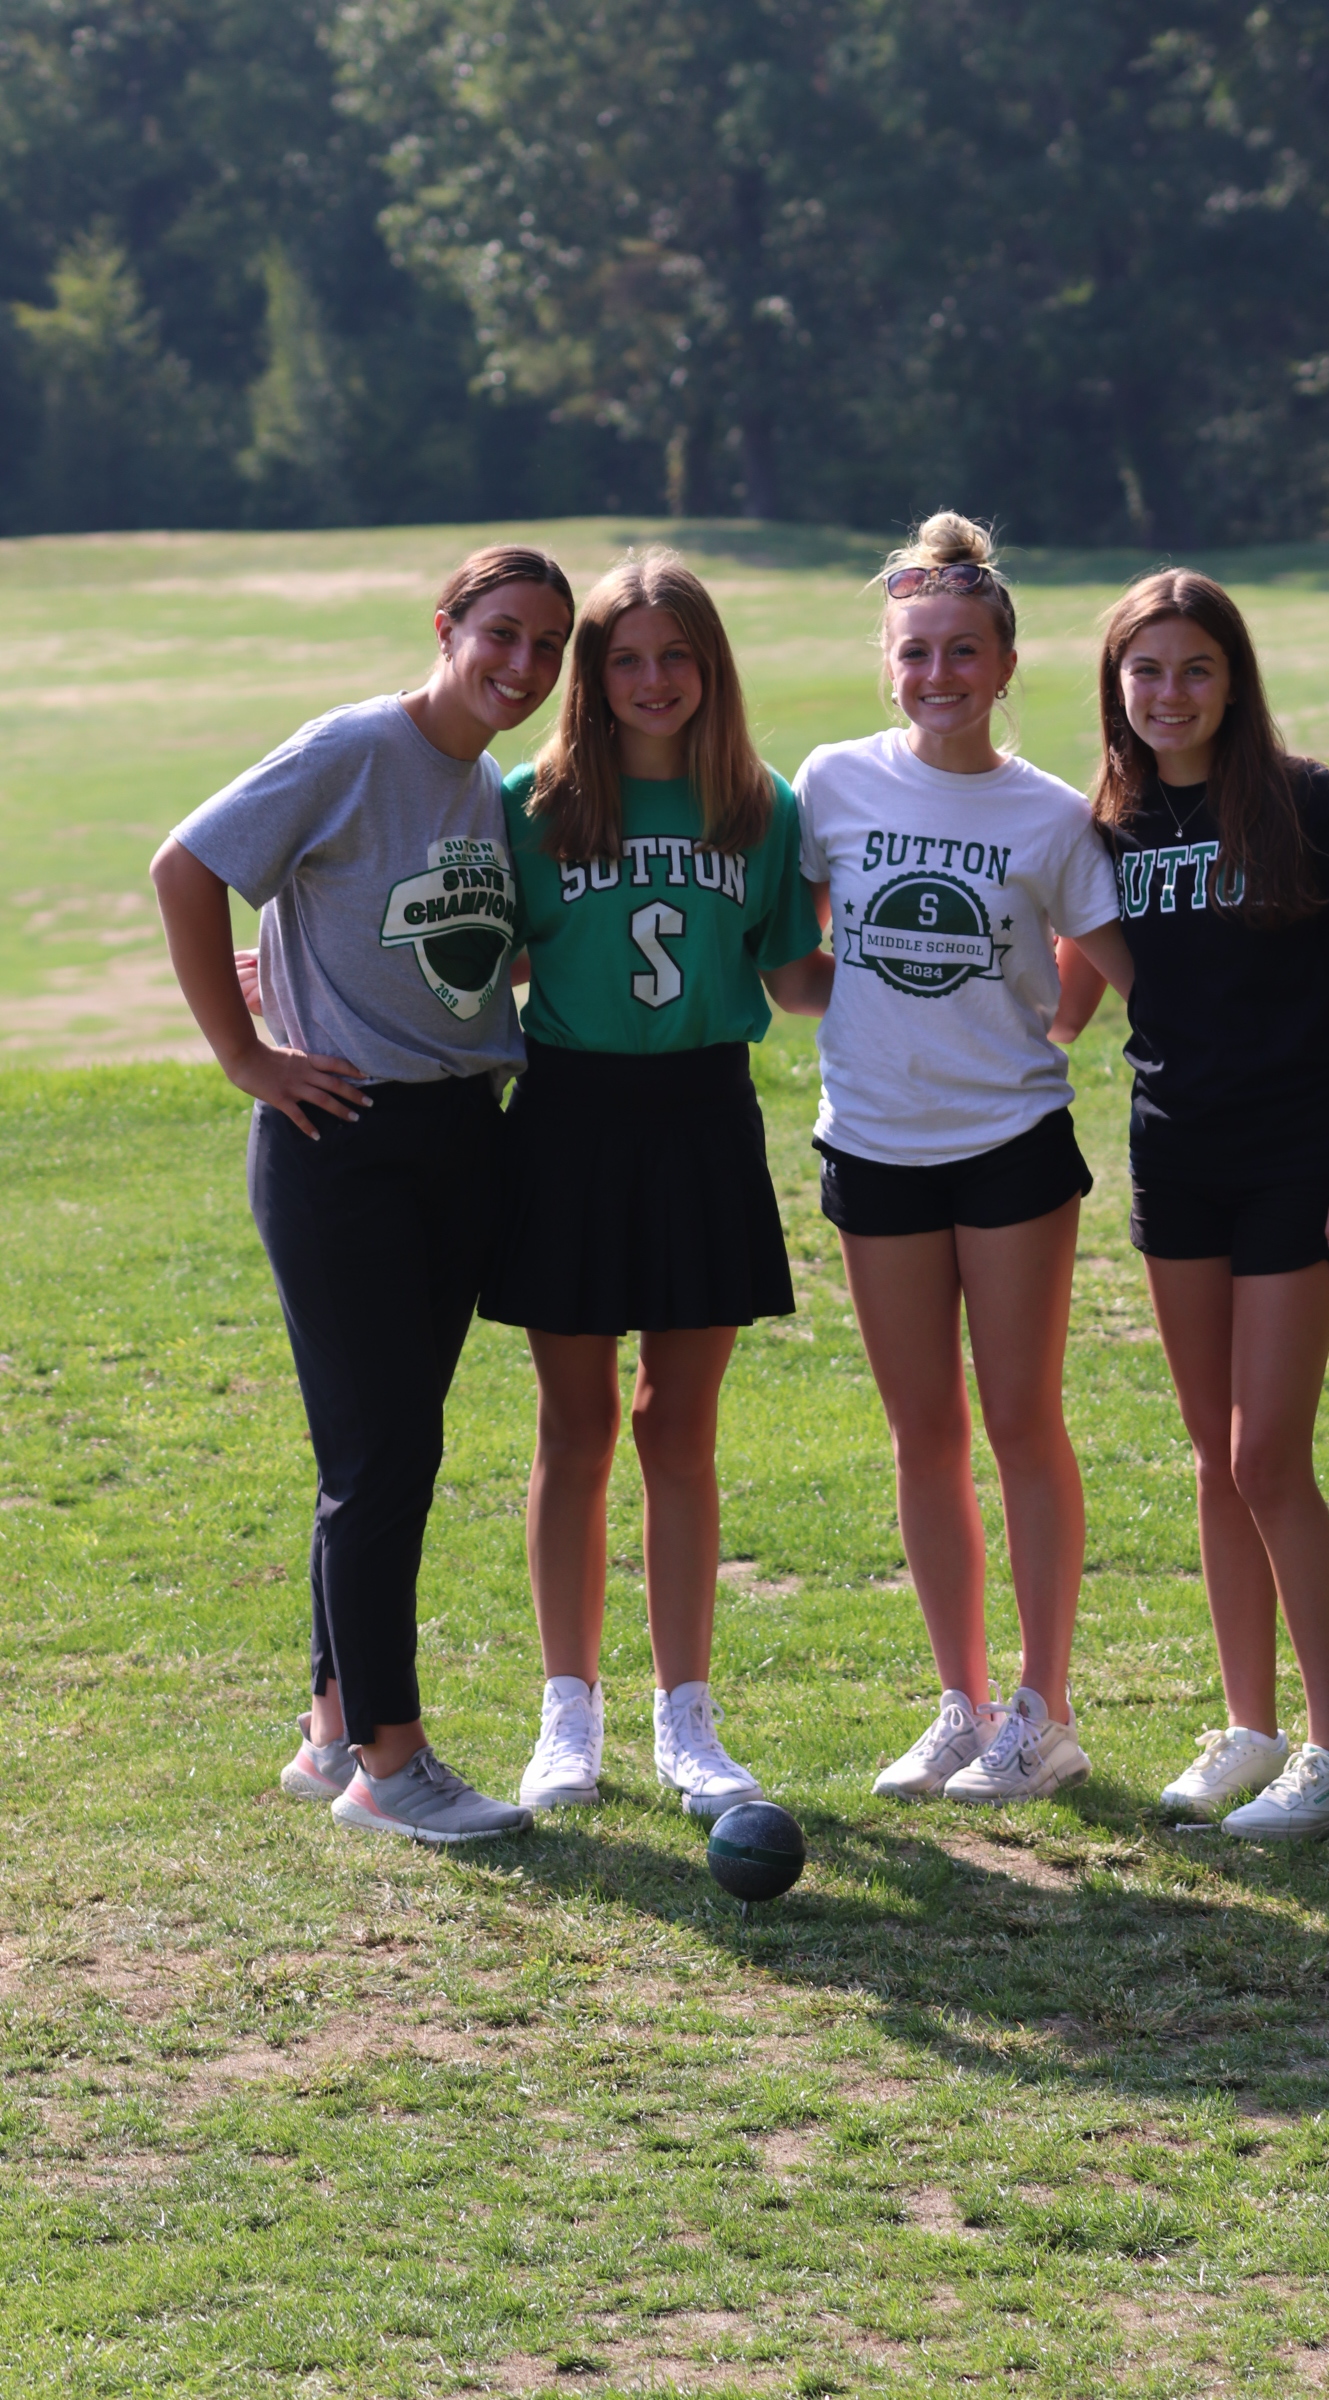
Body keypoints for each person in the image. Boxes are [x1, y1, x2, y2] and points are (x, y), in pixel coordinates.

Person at [150, 544, 575, 1845]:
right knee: (385, 1454)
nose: (522, 665)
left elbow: (452, 957)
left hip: (457, 1134)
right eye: (500, 633)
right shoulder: (353, 747)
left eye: (547, 647)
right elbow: (186, 865)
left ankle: (333, 1724)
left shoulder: (486, 786)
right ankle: (393, 1768)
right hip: (343, 1143)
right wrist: (245, 1053)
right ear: (446, 627)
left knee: (382, 1446)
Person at [792, 513, 1131, 1804]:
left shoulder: (1050, 816)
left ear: (1004, 665)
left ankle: (1044, 1712)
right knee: (922, 1431)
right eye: (916, 652)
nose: (938, 674)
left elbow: (1112, 959)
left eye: (963, 652)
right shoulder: (833, 782)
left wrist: (1056, 1021)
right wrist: (845, 1004)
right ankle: (961, 1702)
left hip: (1009, 1148)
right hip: (873, 1147)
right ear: (890, 667)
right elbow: (792, 950)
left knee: (1021, 1421)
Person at [481, 551, 826, 1819]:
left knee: (677, 1427)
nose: (653, 679)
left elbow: (794, 978)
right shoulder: (533, 802)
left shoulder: (758, 805)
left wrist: (964, 959)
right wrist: (307, 969)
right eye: (625, 658)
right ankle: (567, 1712)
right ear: (592, 675)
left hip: (702, 1119)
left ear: (709, 666)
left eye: (676, 655)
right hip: (568, 1118)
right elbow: (480, 960)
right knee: (573, 1429)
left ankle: (687, 1717)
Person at [1066, 568, 1329, 1838]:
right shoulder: (1108, 823)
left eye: (1194, 668)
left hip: (1299, 1160)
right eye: (1145, 670)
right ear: (1116, 685)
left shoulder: (1302, 801)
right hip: (1175, 1157)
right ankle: (1250, 1731)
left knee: (1268, 1455)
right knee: (1213, 1454)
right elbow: (1067, 999)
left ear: (1233, 678)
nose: (1170, 693)